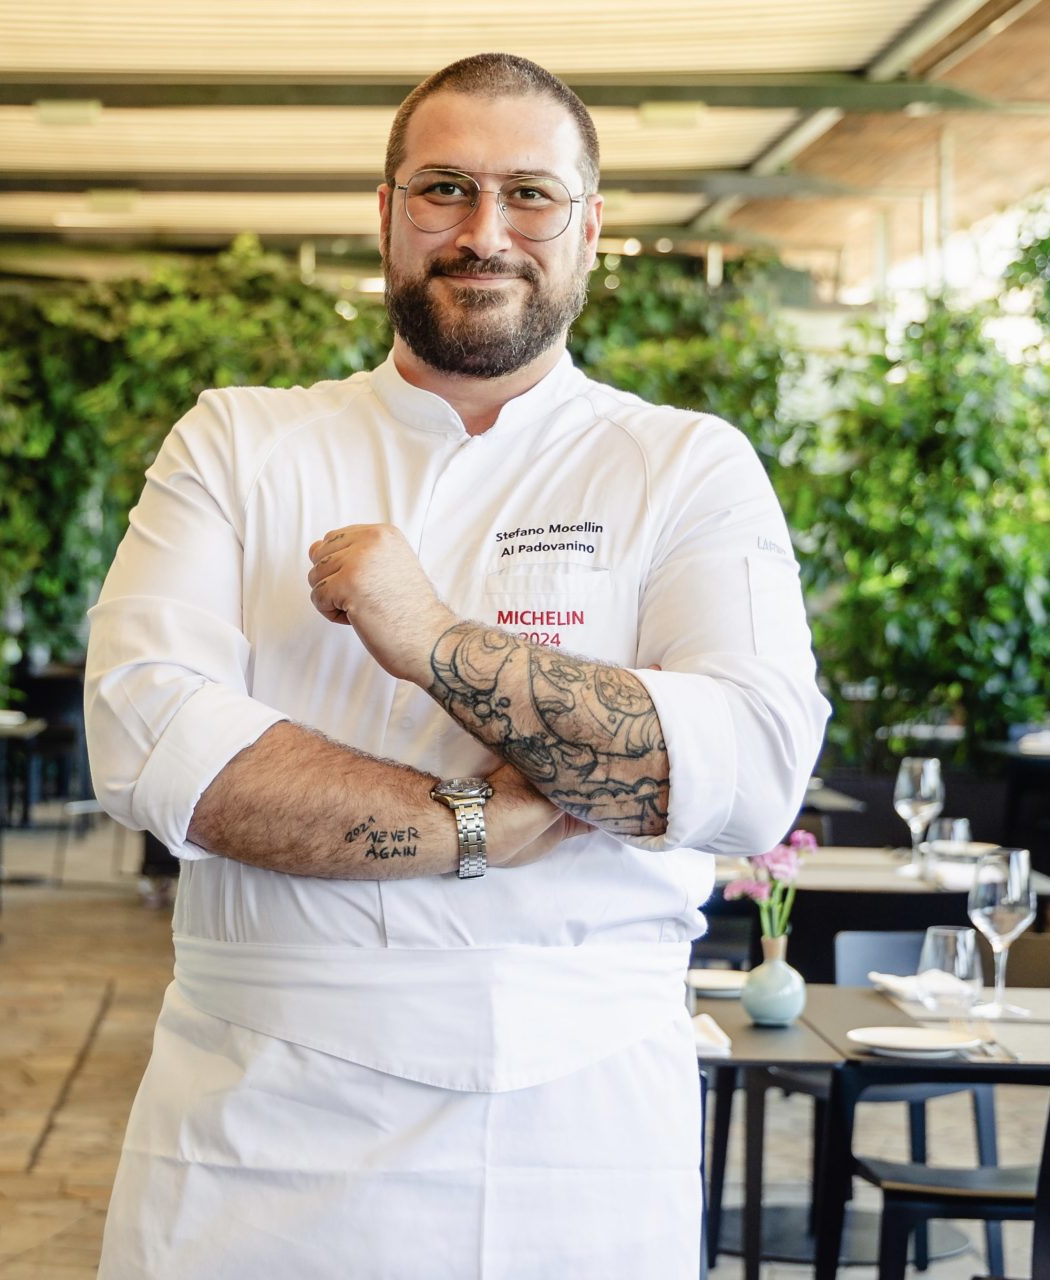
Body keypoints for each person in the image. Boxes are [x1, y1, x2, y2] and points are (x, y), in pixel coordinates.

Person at [85, 52, 830, 1279]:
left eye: (531, 194)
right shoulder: (239, 441)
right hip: (258, 1115)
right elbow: (150, 742)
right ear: (384, 214)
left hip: (575, 1125)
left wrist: (433, 639)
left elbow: (746, 775)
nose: (485, 232)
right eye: (445, 189)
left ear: (590, 231)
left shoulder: (683, 464)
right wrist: (479, 818)